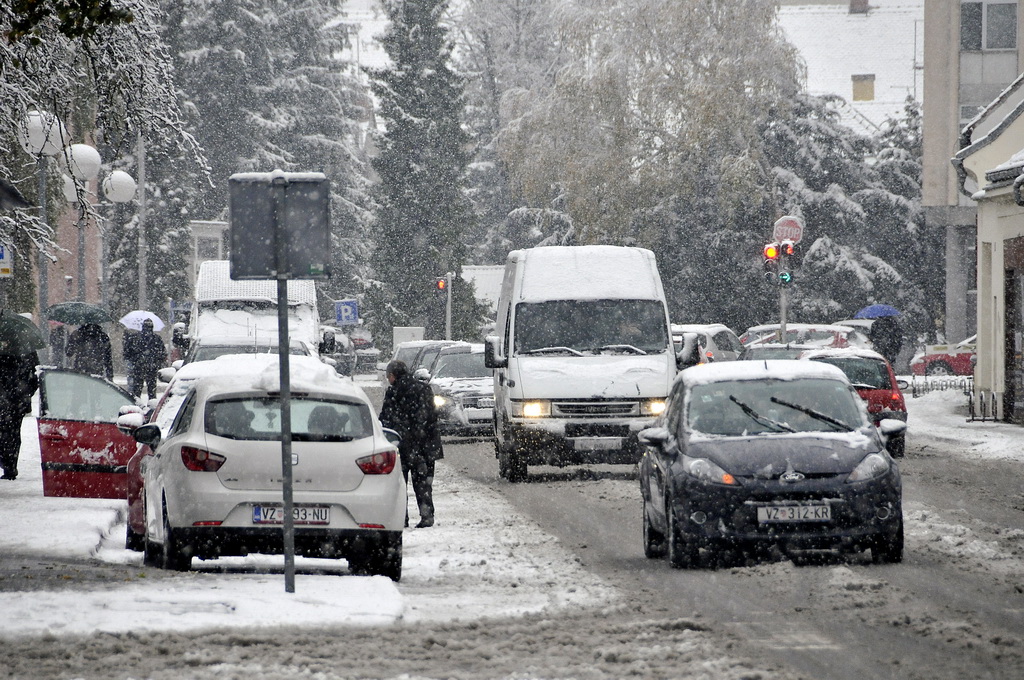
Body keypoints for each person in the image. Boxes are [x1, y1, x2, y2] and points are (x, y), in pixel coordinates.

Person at [379, 359, 443, 528]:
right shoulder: (424, 389)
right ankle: (426, 514)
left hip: (402, 445)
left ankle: (402, 517)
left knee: (400, 484)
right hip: (425, 445)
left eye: (388, 377)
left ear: (392, 376)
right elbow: (432, 416)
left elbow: (385, 419)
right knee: (423, 482)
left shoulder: (393, 392)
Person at [0, 351, 39, 480]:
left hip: (4, 399)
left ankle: (6, 461)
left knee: (7, 432)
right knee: (14, 433)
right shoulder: (27, 350)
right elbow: (35, 377)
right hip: (18, 401)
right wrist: (26, 394)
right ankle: (10, 465)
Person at [123, 319, 166, 400]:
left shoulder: (135, 338)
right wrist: (156, 362)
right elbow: (162, 354)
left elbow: (127, 353)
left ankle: (136, 406)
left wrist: (135, 360)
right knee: (151, 392)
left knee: (137, 392)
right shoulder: (156, 338)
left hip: (139, 368)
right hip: (151, 368)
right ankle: (151, 408)